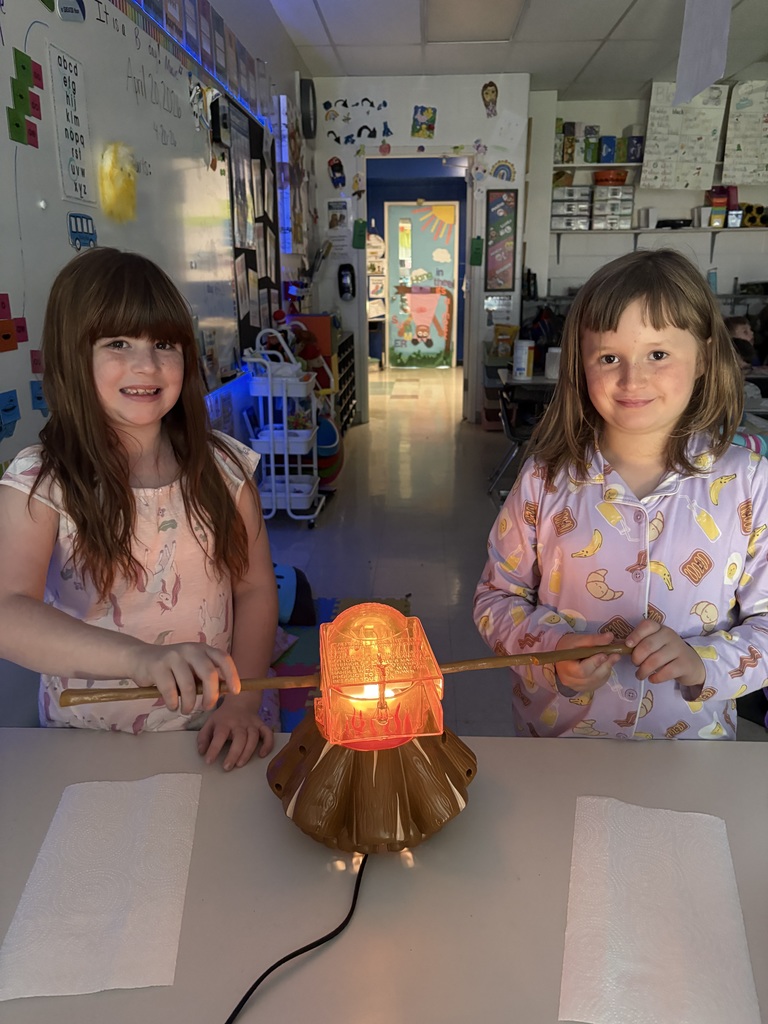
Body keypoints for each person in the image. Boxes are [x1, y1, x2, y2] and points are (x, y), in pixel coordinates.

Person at [0, 248, 279, 768]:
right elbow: (8, 609)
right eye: (118, 343)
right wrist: (141, 660)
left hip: (213, 728)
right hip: (86, 733)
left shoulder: (224, 469)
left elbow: (255, 587)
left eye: (165, 344)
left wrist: (243, 702)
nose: (146, 365)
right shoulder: (40, 481)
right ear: (71, 354)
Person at [474, 249, 768, 740]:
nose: (633, 379)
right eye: (609, 357)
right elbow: (495, 599)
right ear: (581, 364)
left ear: (703, 356)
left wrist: (701, 662)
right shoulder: (544, 480)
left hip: (692, 758)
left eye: (658, 354)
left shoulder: (748, 484)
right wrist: (553, 653)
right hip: (560, 748)